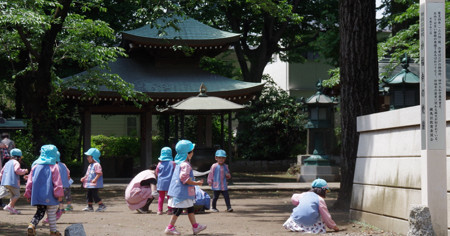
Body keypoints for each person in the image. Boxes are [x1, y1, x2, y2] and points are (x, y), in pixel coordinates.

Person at [164, 140, 207, 235]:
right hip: (182, 193)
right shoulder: (185, 165)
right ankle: (170, 227)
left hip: (181, 192)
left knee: (190, 208)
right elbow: (184, 179)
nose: (193, 153)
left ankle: (195, 226)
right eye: (192, 151)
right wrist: (196, 183)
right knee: (178, 210)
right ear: (188, 153)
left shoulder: (179, 163)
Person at [25, 144, 64, 236]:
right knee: (51, 212)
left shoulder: (35, 167)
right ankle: (53, 232)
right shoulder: (54, 167)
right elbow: (57, 183)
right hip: (50, 195)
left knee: (40, 211)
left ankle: (32, 224)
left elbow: (29, 182)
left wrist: (28, 194)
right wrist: (59, 195)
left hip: (38, 195)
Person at [43, 151, 72, 224]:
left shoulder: (52, 166)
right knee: (59, 200)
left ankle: (57, 213)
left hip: (57, 186)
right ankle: (60, 210)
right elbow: (68, 174)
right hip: (65, 185)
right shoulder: (63, 165)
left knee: (53, 202)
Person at [0, 148, 28, 214]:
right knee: (17, 195)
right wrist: (24, 171)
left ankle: (11, 209)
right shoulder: (16, 162)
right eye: (20, 157)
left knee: (13, 195)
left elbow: (1, 172)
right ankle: (9, 206)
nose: (21, 159)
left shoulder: (7, 163)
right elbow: (17, 171)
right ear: (17, 157)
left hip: (5, 182)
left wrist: (3, 181)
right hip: (13, 182)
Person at [80, 147, 106, 212]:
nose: (87, 158)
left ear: (93, 157)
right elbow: (87, 174)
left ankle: (102, 205)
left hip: (94, 184)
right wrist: (84, 178)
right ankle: (90, 207)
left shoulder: (97, 165)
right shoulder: (90, 165)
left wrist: (95, 179)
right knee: (89, 195)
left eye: (88, 156)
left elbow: (99, 173)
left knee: (95, 195)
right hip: (90, 184)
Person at [155, 146, 175, 215]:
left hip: (161, 182)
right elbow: (175, 171)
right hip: (170, 182)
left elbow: (157, 172)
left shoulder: (159, 163)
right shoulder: (173, 163)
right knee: (170, 196)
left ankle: (159, 210)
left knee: (161, 196)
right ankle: (169, 210)